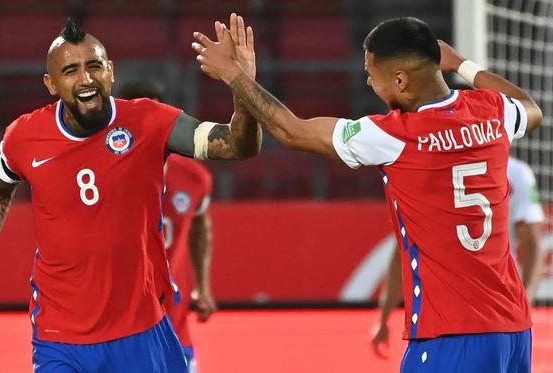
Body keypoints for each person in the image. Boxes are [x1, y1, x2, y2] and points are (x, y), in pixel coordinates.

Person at [193, 14, 543, 372]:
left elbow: (291, 131)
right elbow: (531, 109)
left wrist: (234, 76)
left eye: (371, 74)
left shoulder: (393, 135)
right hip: (513, 329)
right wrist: (462, 65)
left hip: (453, 334)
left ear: (401, 80)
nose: (368, 82)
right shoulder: (492, 111)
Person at [0, 17, 259, 373]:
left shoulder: (149, 121)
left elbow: (238, 145)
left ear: (111, 70)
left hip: (142, 328)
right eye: (71, 70)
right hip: (60, 337)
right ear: (51, 84)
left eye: (94, 66)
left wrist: (241, 83)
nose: (86, 79)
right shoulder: (24, 137)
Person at [371, 155, 546, 359]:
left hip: (442, 317)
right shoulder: (518, 173)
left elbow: (405, 249)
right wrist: (525, 304)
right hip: (501, 312)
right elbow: (533, 243)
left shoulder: (427, 164)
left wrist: (384, 316)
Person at [118, 81, 217, 372]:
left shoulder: (193, 179)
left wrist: (203, 286)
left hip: (172, 325)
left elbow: (200, 225)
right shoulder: (95, 176)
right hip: (114, 326)